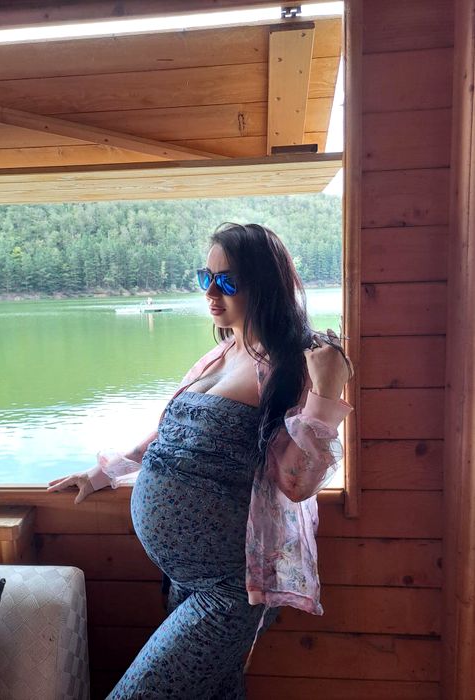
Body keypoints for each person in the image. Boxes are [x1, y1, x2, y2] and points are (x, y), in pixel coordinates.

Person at [47, 222, 353, 699]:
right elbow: (173, 432)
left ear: (265, 285)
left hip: (230, 589)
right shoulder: (223, 352)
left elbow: (297, 482)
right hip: (187, 577)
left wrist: (328, 390)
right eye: (204, 277)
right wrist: (105, 471)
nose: (211, 291)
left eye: (227, 280)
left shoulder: (293, 366)